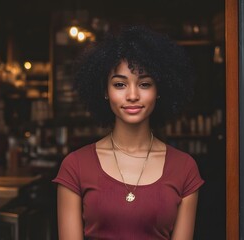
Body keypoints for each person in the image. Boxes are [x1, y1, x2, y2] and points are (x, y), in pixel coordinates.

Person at [52, 26, 204, 240]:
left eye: (144, 84)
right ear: (105, 91)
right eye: (120, 84)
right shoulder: (75, 167)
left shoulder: (184, 169)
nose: (132, 95)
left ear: (158, 90)